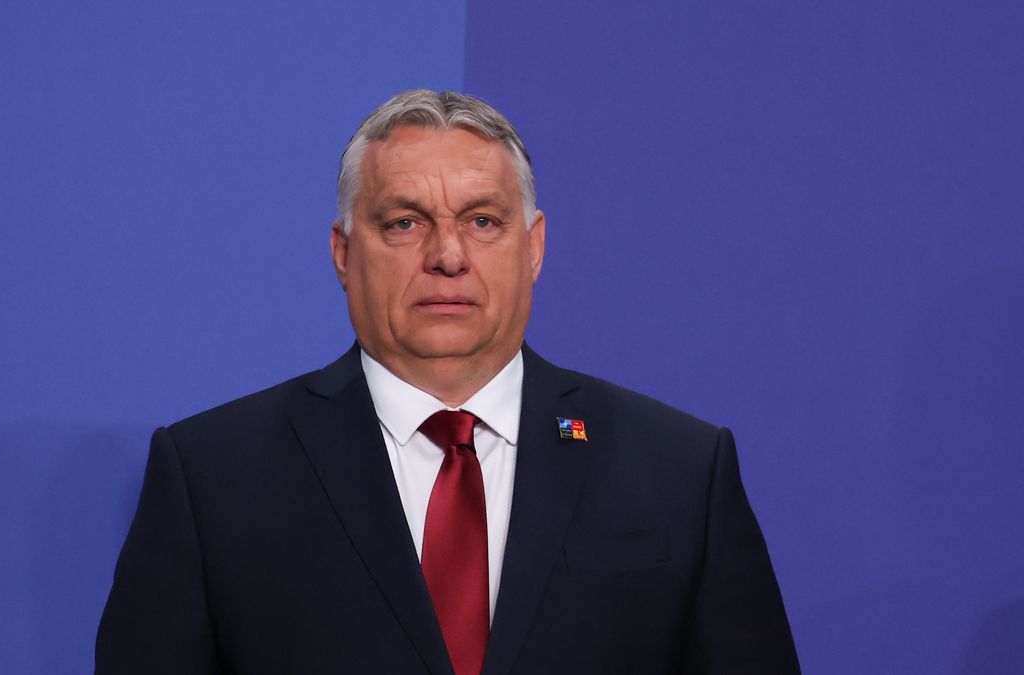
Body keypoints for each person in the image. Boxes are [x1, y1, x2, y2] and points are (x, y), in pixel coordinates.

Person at [95, 89, 800, 674]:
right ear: (343, 253)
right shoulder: (213, 477)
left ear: (534, 247)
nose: (448, 255)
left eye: (483, 221)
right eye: (404, 222)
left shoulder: (679, 470)